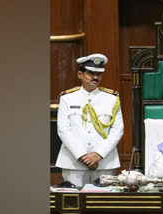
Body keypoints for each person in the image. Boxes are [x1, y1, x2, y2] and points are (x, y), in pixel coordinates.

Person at [55, 53, 124, 187]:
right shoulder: (67, 98)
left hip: (104, 162)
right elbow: (63, 130)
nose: (95, 77)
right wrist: (82, 155)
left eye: (98, 74)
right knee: (74, 202)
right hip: (74, 162)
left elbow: (117, 130)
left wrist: (98, 154)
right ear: (80, 74)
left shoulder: (112, 98)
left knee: (104, 203)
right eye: (91, 73)